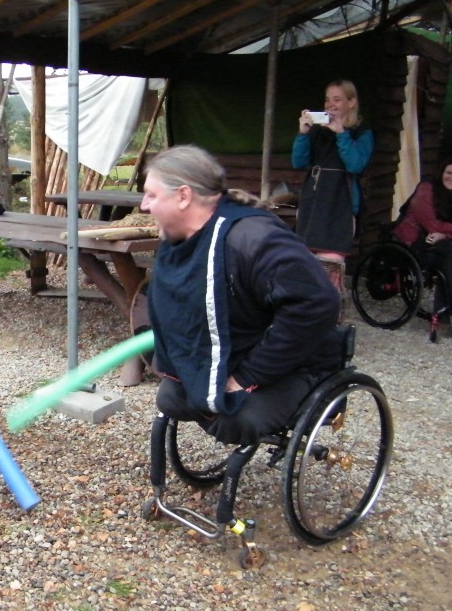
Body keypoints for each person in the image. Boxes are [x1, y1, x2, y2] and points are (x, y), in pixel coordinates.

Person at [142, 145, 342, 446]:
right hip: (235, 351)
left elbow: (318, 304)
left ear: (183, 196)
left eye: (152, 195)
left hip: (295, 366)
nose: (144, 205)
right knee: (171, 396)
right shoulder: (182, 241)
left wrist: (248, 375)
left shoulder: (253, 240)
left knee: (234, 420)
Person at [292, 79, 374, 314]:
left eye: (337, 99)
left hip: (340, 200)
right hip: (314, 198)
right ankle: (304, 313)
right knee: (306, 259)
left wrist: (341, 134)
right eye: (328, 99)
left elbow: (356, 164)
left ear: (351, 102)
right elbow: (299, 161)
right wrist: (303, 134)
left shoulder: (362, 131)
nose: (330, 104)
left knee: (331, 263)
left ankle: (329, 315)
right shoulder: (317, 130)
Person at [392, 154, 452, 332]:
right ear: (441, 171)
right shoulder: (427, 190)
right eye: (449, 172)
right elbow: (431, 225)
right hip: (418, 242)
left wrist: (445, 235)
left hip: (446, 243)